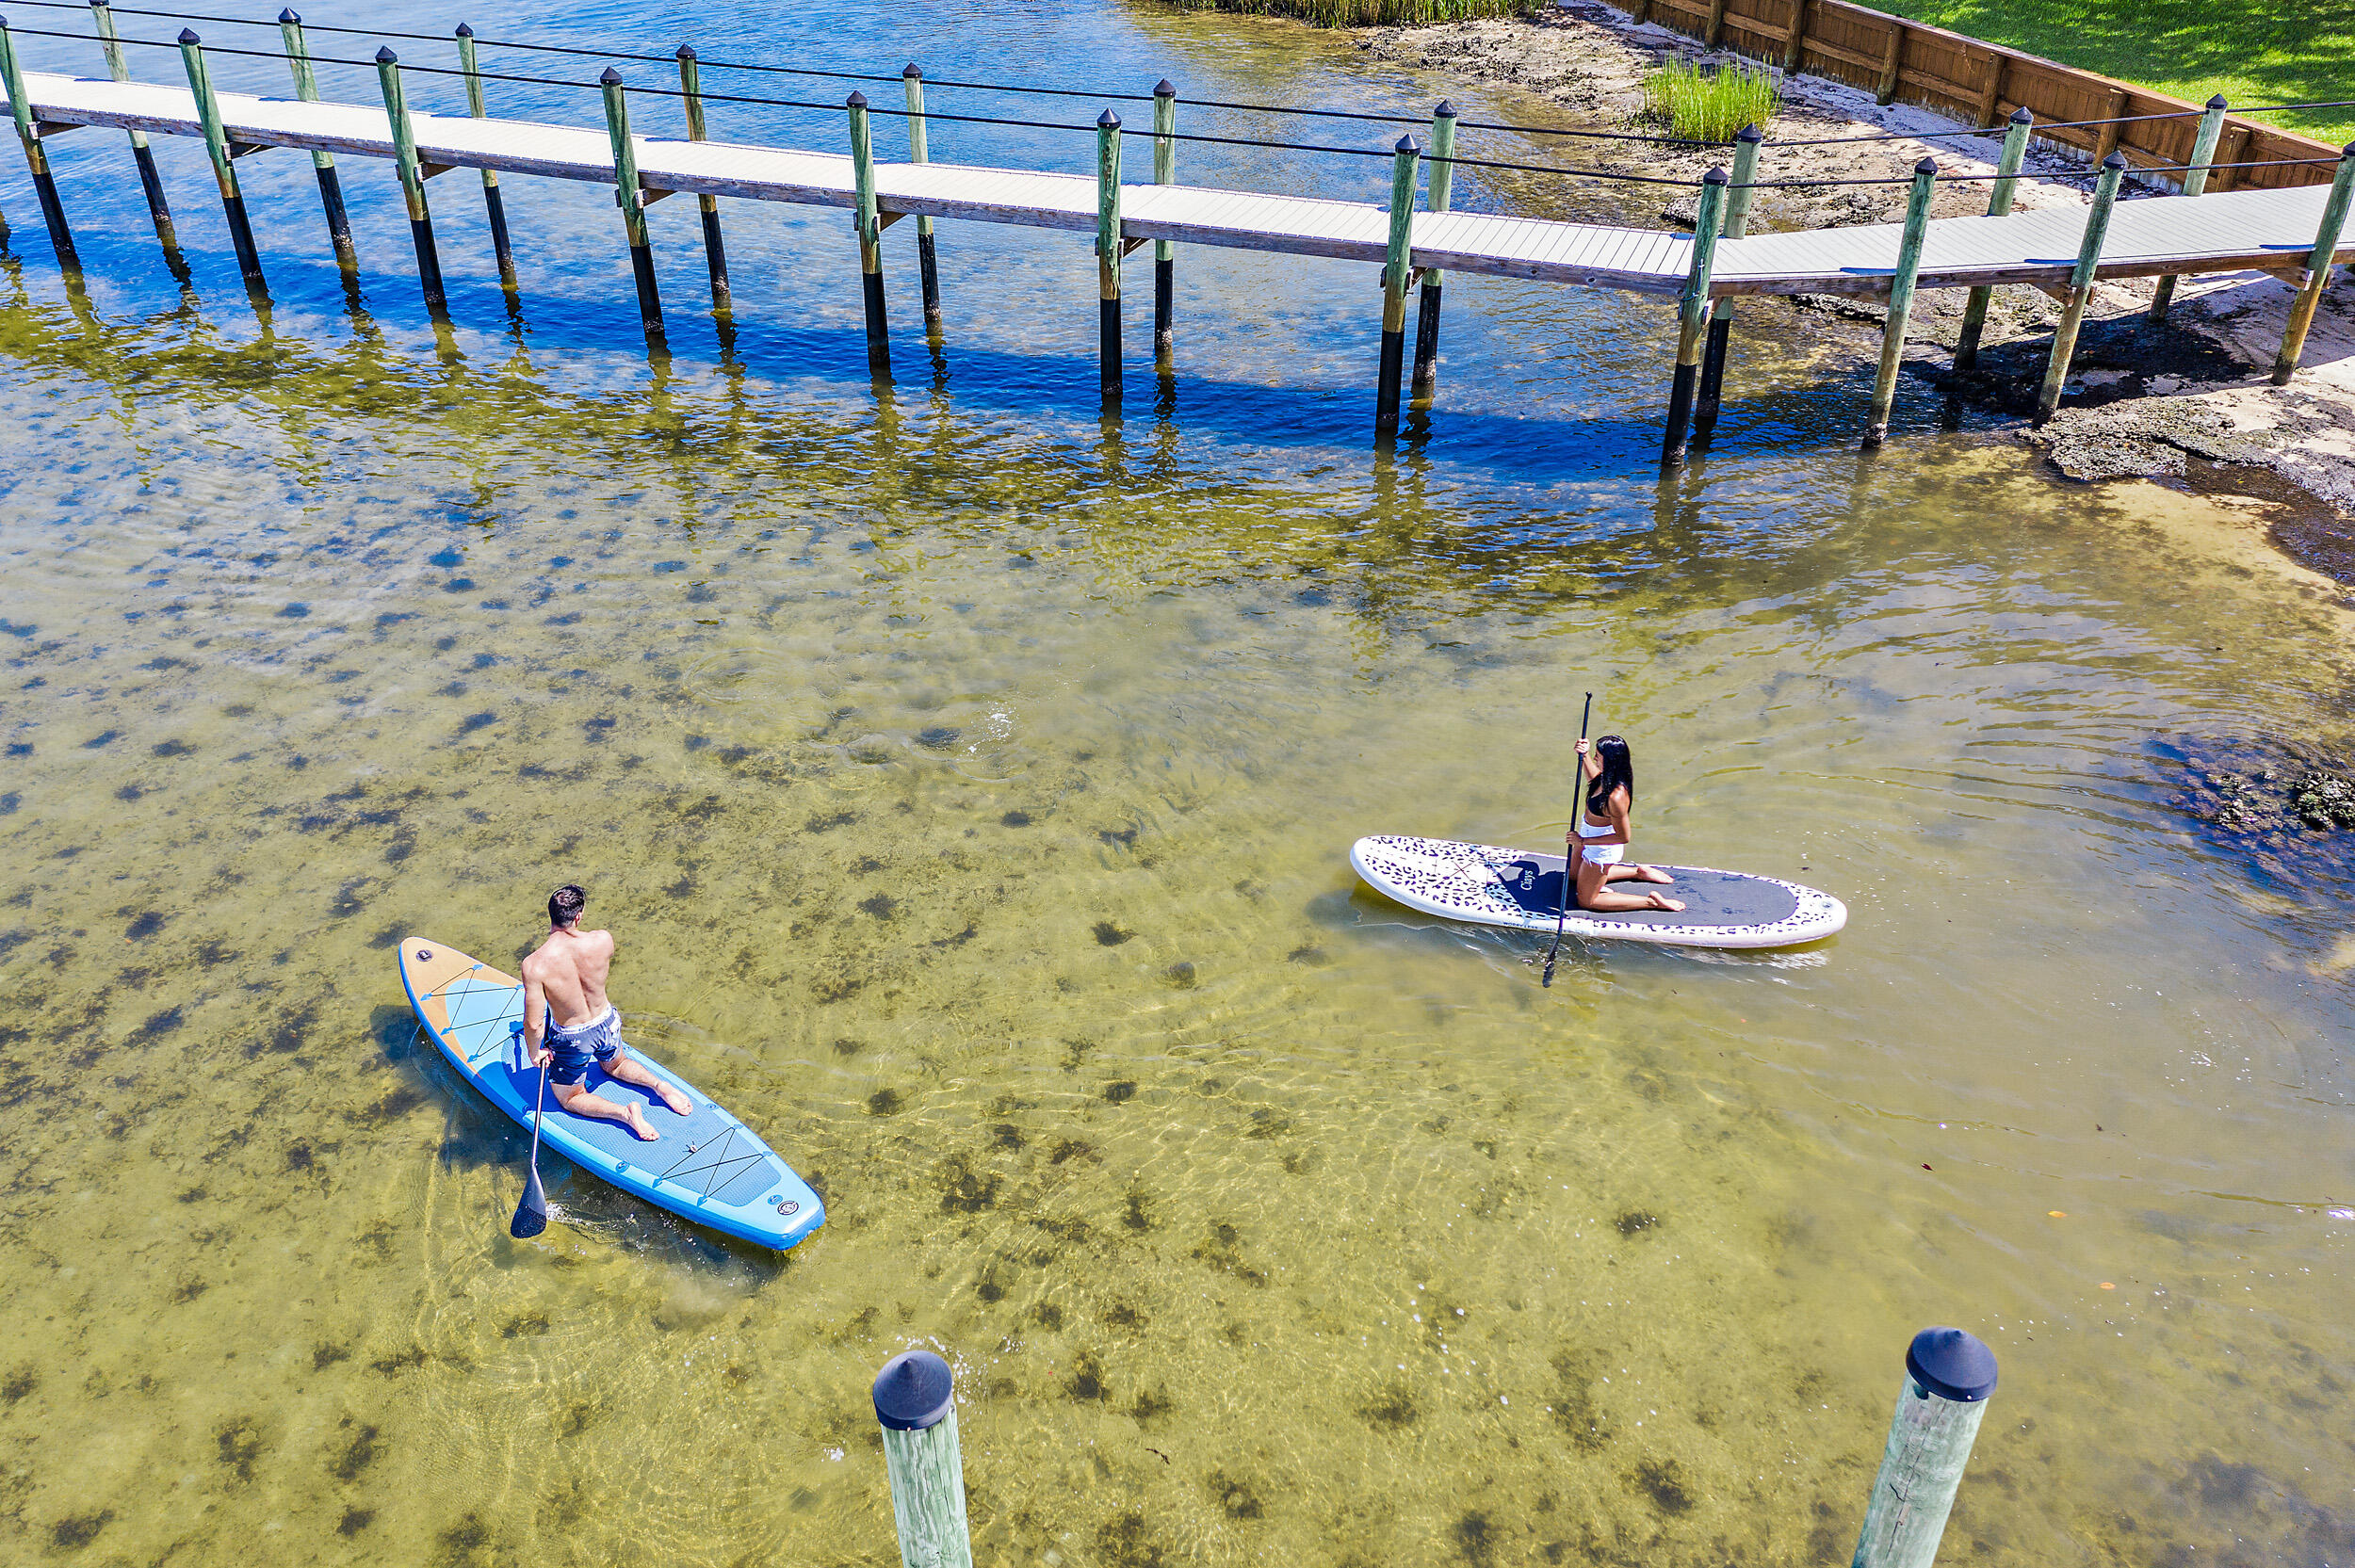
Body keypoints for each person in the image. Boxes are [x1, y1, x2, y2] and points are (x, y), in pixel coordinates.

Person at [520, 884, 690, 1142]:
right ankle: (660, 1086)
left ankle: (625, 1113)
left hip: (574, 1038)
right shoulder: (603, 940)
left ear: (550, 914)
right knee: (616, 1064)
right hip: (607, 1021)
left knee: (571, 1097)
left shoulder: (534, 965)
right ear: (579, 916)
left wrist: (535, 1052)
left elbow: (534, 1024)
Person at [1568, 736, 1685, 913]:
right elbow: (1594, 781)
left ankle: (1652, 902)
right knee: (1573, 875)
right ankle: (1638, 872)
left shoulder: (1617, 796)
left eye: (1597, 756)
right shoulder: (1606, 779)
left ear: (1610, 760)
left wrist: (1582, 842)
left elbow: (1623, 837)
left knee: (1587, 901)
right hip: (1587, 836)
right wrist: (1584, 755)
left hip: (1600, 848)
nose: (1595, 758)